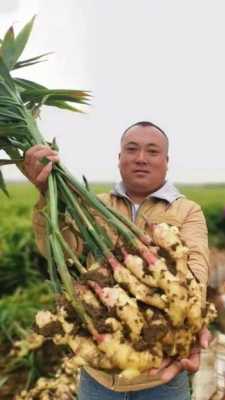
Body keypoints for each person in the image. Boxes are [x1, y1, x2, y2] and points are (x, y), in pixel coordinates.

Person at [22, 121, 212, 400]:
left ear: (166, 161)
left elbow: (197, 269)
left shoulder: (186, 211)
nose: (141, 158)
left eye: (152, 151)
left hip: (161, 377)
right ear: (119, 158)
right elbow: (56, 252)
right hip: (99, 378)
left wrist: (187, 313)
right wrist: (44, 194)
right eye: (131, 149)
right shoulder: (91, 206)